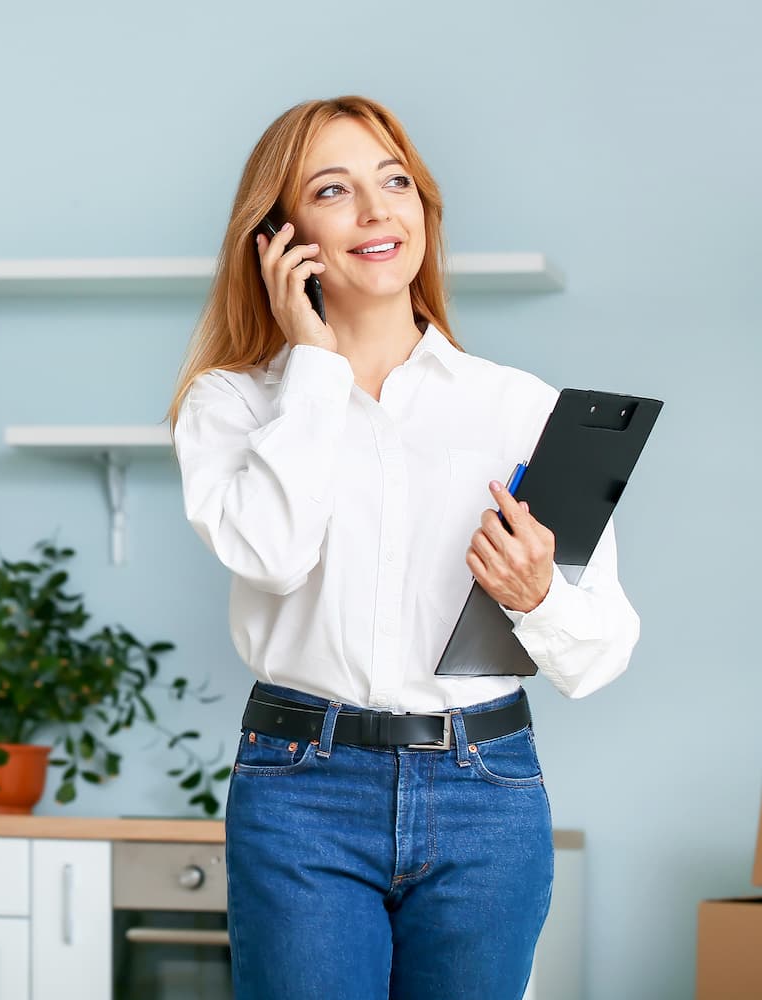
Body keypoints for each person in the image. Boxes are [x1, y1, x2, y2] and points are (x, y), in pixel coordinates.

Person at [167, 95, 639, 1000]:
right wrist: (313, 367)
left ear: (423, 208)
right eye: (334, 190)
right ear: (278, 237)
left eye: (395, 182)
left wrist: (538, 596)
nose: (378, 211)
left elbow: (602, 653)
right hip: (304, 790)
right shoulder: (229, 403)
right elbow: (269, 554)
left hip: (485, 790)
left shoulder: (520, 408)